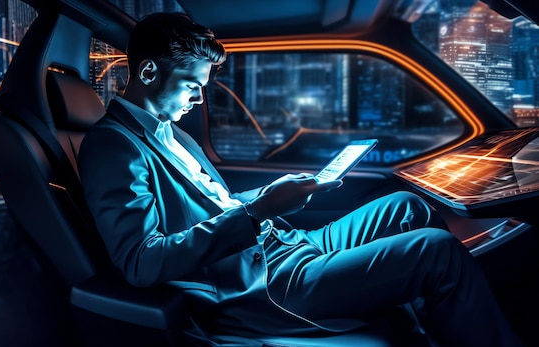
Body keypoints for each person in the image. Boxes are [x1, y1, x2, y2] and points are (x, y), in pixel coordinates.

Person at [77, 12, 521, 346]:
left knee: (408, 207)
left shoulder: (171, 132)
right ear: (149, 71)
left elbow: (214, 203)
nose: (199, 96)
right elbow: (140, 261)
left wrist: (269, 195)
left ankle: (426, 325)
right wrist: (258, 212)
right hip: (265, 283)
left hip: (280, 245)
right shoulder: (112, 145)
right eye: (192, 84)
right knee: (436, 250)